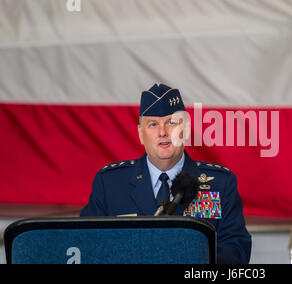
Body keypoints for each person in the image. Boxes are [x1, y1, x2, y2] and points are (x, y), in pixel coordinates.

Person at [80, 83, 252, 264]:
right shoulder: (110, 183)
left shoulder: (220, 183)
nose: (162, 132)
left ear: (185, 130)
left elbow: (237, 250)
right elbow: (86, 245)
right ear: (140, 133)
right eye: (153, 124)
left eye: (171, 123)